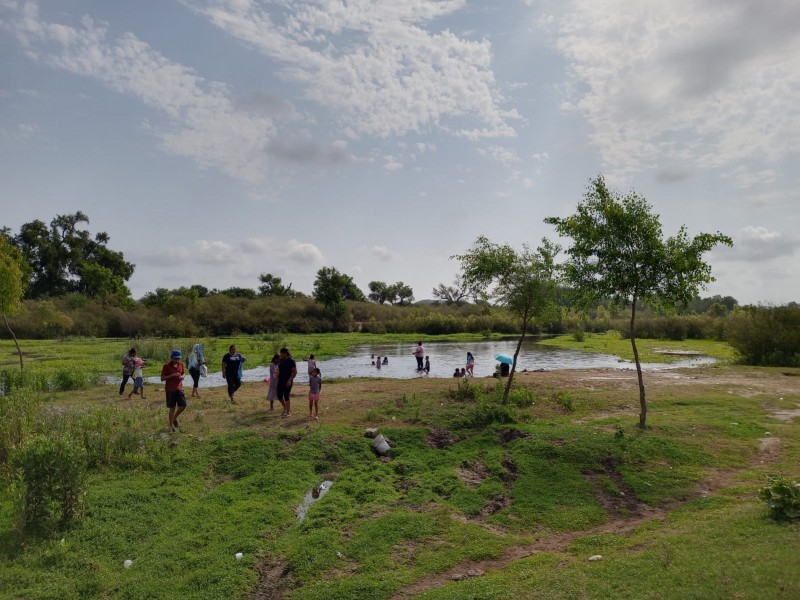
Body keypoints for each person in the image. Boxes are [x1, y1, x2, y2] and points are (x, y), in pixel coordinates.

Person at [160, 349, 186, 432]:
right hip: (170, 389)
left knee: (183, 405)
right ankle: (170, 427)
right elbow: (162, 378)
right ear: (171, 358)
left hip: (179, 388)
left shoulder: (181, 364)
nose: (177, 360)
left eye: (178, 358)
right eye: (175, 358)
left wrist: (183, 377)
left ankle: (174, 418)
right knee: (172, 408)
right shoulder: (166, 366)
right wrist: (172, 375)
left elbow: (183, 373)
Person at [277, 347, 297, 417]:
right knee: (279, 395)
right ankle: (285, 408)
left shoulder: (291, 361)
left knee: (286, 396)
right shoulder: (281, 360)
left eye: (281, 353)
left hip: (288, 381)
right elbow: (278, 369)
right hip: (280, 380)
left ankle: (288, 412)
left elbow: (295, 372)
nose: (280, 355)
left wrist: (290, 380)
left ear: (285, 353)